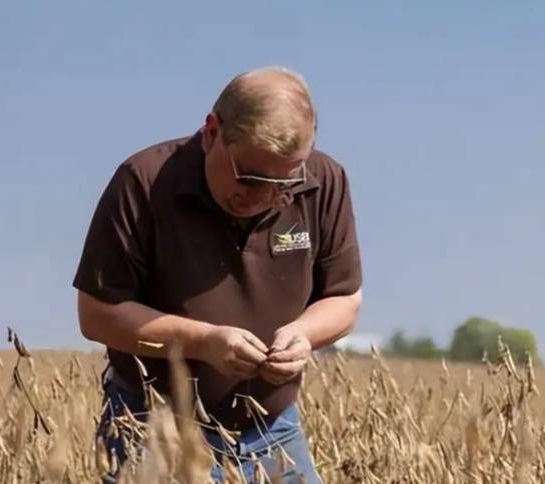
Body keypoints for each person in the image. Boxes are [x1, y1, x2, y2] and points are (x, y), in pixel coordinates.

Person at [73, 67, 363, 483]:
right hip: (155, 429)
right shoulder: (144, 182)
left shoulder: (324, 181)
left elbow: (344, 299)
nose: (264, 197)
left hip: (274, 430)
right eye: (250, 178)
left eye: (282, 184)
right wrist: (203, 342)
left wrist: (304, 335)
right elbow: (96, 313)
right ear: (212, 132)